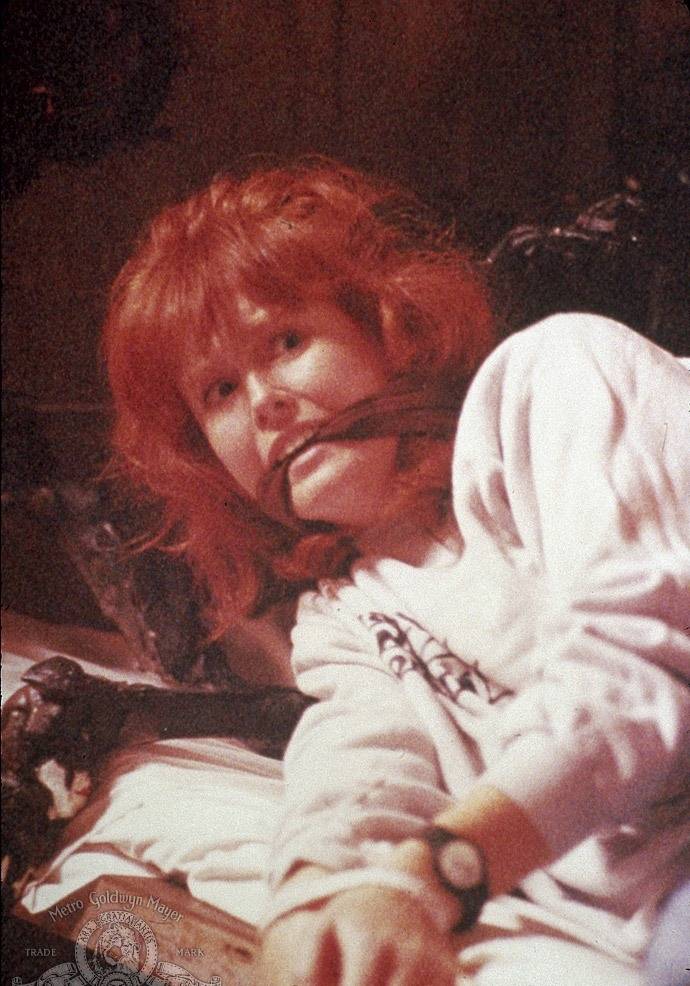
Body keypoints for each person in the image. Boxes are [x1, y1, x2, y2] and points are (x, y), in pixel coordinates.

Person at [103, 161, 690, 986]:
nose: (264, 401)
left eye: (286, 341)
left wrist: (432, 877)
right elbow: (355, 767)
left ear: (386, 324)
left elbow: (639, 673)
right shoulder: (341, 617)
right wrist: (308, 903)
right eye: (220, 390)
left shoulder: (553, 377)